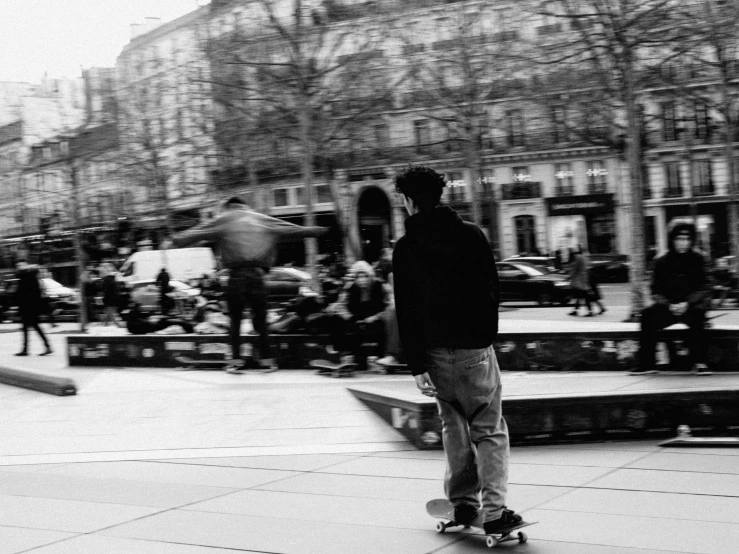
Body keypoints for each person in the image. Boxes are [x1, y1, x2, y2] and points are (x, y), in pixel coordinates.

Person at [392, 166, 521, 534]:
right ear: (440, 195)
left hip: (433, 353)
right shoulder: (471, 236)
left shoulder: (406, 247)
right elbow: (491, 292)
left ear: (409, 201)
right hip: (473, 351)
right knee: (489, 428)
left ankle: (464, 504)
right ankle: (494, 511)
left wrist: (416, 364)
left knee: (454, 426)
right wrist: (483, 337)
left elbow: (407, 310)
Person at [171, 196, 328, 373]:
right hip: (257, 277)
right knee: (260, 321)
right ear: (244, 206)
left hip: (235, 277)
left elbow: (198, 231)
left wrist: (177, 239)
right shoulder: (259, 218)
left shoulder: (224, 218)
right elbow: (291, 229)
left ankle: (235, 362)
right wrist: (318, 231)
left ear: (228, 207)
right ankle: (267, 361)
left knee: (235, 321)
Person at [631, 221, 712, 375]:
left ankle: (700, 361)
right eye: (679, 239)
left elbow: (706, 286)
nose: (683, 243)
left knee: (699, 317)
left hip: (691, 307)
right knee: (647, 316)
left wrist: (687, 303)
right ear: (672, 240)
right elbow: (654, 290)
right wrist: (668, 304)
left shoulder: (699, 259)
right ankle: (647, 363)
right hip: (668, 307)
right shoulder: (661, 261)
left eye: (687, 239)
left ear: (691, 240)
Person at [326, 260, 387, 365]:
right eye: (358, 277)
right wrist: (350, 317)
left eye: (365, 276)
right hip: (356, 318)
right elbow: (341, 305)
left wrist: (375, 317)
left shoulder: (380, 286)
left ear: (370, 276)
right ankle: (346, 356)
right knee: (337, 320)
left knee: (377, 326)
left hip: (376, 318)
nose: (361, 280)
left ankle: (375, 358)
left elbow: (387, 307)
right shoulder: (350, 287)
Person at [14, 262, 52, 356]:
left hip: (27, 308)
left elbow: (22, 294)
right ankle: (44, 347)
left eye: (19, 267)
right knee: (31, 328)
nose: (17, 269)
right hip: (31, 308)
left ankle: (27, 349)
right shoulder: (31, 278)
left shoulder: (26, 278)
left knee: (31, 328)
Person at [568, 250, 593, 316]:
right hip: (582, 280)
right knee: (580, 296)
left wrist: (570, 277)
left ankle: (590, 312)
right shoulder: (582, 257)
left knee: (584, 296)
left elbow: (575, 269)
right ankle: (576, 311)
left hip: (580, 281)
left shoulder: (578, 258)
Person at [100, 263, 122, 327]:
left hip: (108, 297)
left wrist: (103, 296)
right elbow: (115, 289)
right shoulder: (113, 280)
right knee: (111, 311)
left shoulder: (106, 280)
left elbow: (104, 289)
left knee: (109, 311)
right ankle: (113, 323)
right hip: (112, 297)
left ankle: (107, 323)